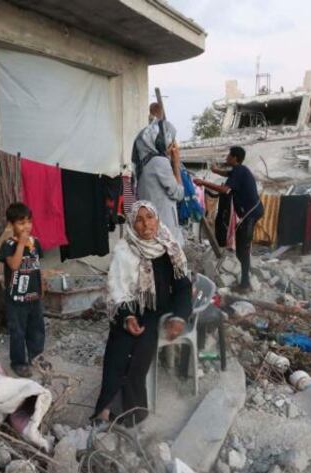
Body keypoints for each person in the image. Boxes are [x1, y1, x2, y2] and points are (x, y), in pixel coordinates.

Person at [93, 201, 193, 425]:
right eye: (139, 219)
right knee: (118, 345)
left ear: (157, 219)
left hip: (159, 311)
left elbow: (184, 288)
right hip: (131, 308)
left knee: (139, 350)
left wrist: (179, 317)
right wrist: (127, 317)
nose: (146, 224)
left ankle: (132, 412)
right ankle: (105, 407)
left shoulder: (169, 248)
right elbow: (117, 291)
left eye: (149, 217)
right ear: (131, 224)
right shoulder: (124, 250)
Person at [195, 146, 261, 293]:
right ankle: (245, 278)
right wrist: (215, 170)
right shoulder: (239, 170)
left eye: (229, 155)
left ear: (235, 158)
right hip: (252, 212)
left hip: (250, 214)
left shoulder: (239, 171)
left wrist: (203, 183)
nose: (226, 157)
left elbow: (225, 190)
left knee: (242, 250)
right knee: (241, 249)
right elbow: (227, 173)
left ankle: (245, 284)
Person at [0, 202, 45, 378]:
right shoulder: (8, 245)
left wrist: (42, 285)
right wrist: (21, 245)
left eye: (28, 222)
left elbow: (37, 266)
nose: (26, 227)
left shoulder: (35, 243)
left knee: (37, 328)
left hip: (34, 296)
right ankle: (18, 362)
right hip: (16, 298)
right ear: (11, 225)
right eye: (21, 223)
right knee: (18, 331)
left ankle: (36, 356)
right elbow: (15, 265)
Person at [132, 104, 185, 245]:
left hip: (151, 227)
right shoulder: (159, 162)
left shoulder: (142, 163)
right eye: (170, 141)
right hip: (164, 228)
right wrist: (176, 164)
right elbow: (178, 194)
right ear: (161, 140)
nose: (172, 145)